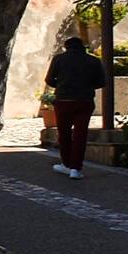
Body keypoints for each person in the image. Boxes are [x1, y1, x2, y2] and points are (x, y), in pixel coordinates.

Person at [45, 37, 106, 180]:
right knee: (80, 134)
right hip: (84, 101)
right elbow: (101, 82)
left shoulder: (59, 59)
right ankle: (76, 168)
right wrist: (87, 86)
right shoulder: (93, 61)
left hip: (64, 100)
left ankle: (66, 164)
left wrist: (61, 85)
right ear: (83, 47)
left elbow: (49, 79)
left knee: (64, 134)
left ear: (66, 47)